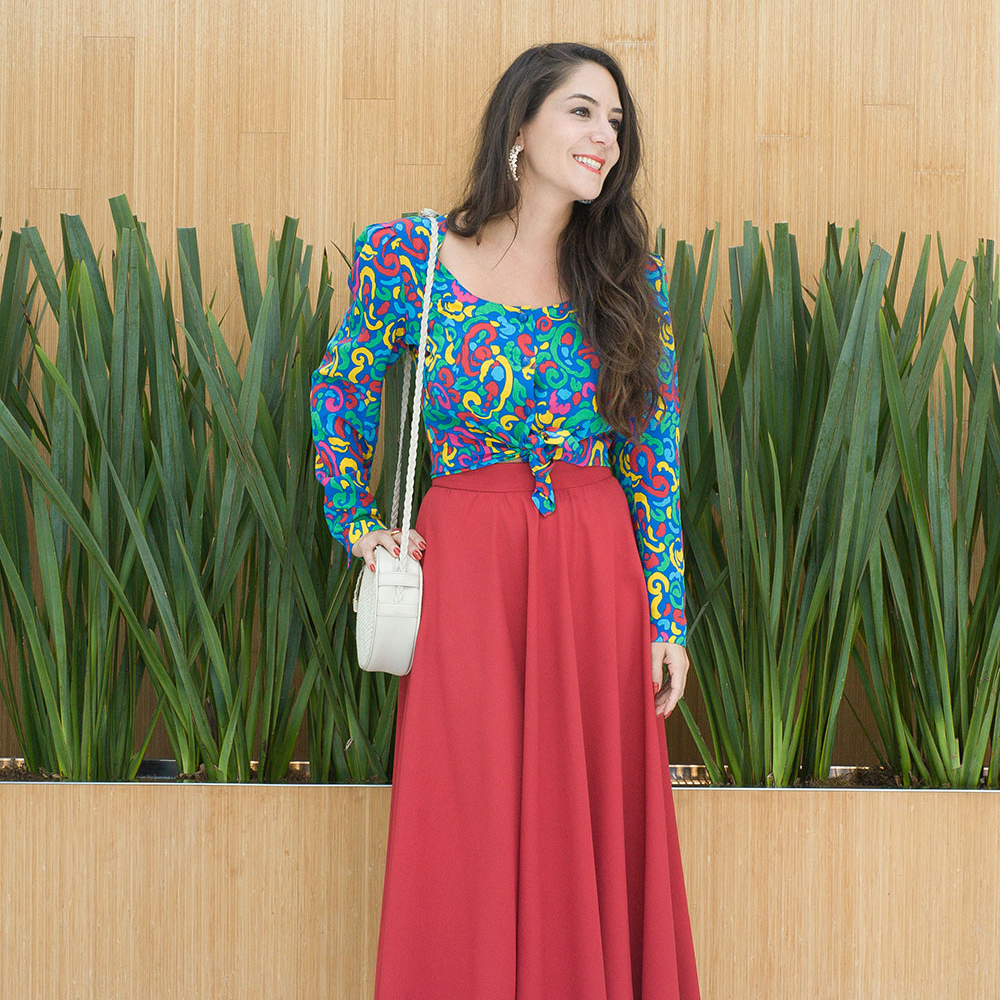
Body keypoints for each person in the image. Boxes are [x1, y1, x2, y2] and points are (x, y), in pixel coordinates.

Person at [310, 40, 701, 1000]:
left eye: (616, 122)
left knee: (588, 808)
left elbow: (653, 456)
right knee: (466, 805)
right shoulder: (409, 256)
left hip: (595, 563)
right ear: (519, 125)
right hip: (470, 566)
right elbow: (341, 389)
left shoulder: (628, 275)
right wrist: (360, 524)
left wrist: (667, 617)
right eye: (582, 111)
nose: (605, 137)